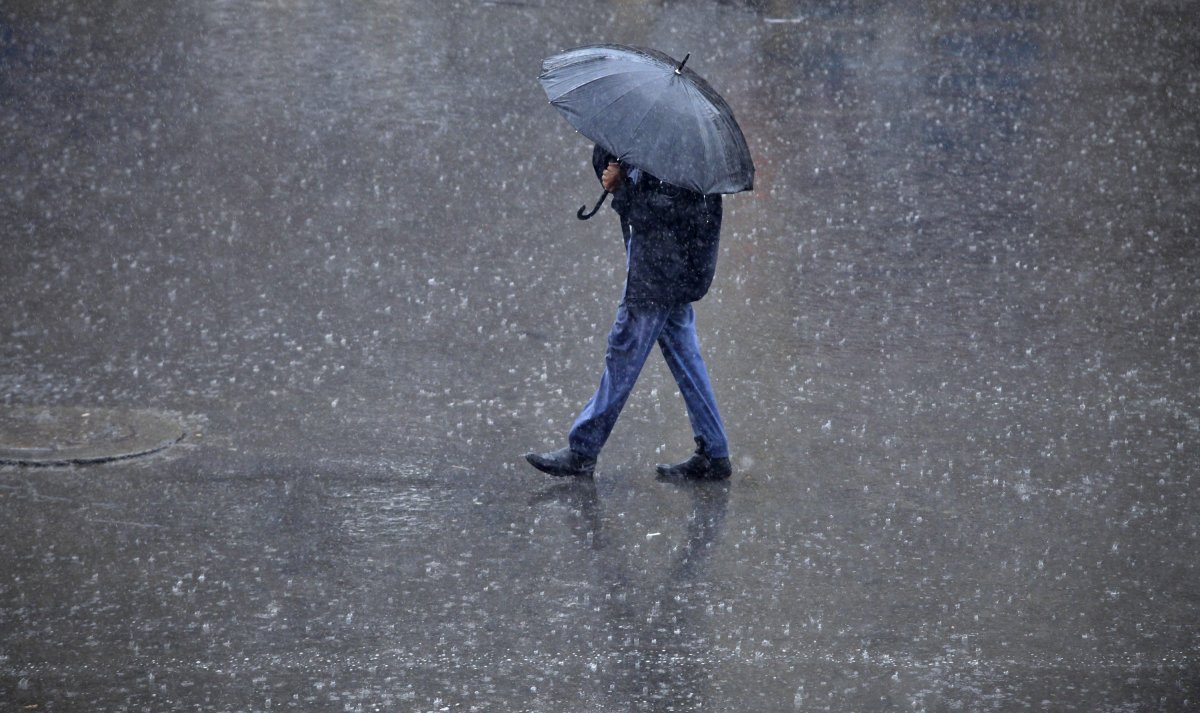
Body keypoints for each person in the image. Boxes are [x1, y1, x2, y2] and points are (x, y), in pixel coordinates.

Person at [525, 145, 732, 480]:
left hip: (663, 267)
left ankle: (583, 449)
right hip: (663, 263)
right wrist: (611, 165)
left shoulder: (684, 152)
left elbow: (667, 211)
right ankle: (714, 450)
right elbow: (609, 164)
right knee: (684, 354)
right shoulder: (646, 134)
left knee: (624, 350)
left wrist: (622, 187)